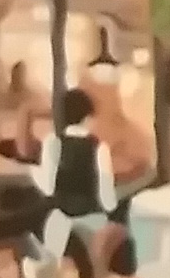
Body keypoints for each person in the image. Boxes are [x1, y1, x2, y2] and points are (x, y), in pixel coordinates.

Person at [38, 87, 118, 262]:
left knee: (52, 265)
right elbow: (108, 201)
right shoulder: (100, 148)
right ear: (87, 117)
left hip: (60, 221)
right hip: (91, 222)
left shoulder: (52, 143)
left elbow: (48, 189)